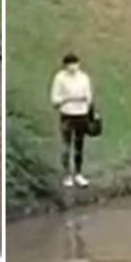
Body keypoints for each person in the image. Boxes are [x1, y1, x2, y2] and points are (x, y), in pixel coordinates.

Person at [50, 53, 94, 188]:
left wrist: (84, 100)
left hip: (81, 114)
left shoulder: (84, 78)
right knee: (66, 145)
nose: (73, 67)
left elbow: (89, 96)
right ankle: (67, 174)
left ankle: (78, 173)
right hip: (67, 114)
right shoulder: (60, 78)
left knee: (79, 144)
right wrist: (68, 99)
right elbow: (55, 99)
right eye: (70, 64)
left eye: (75, 63)